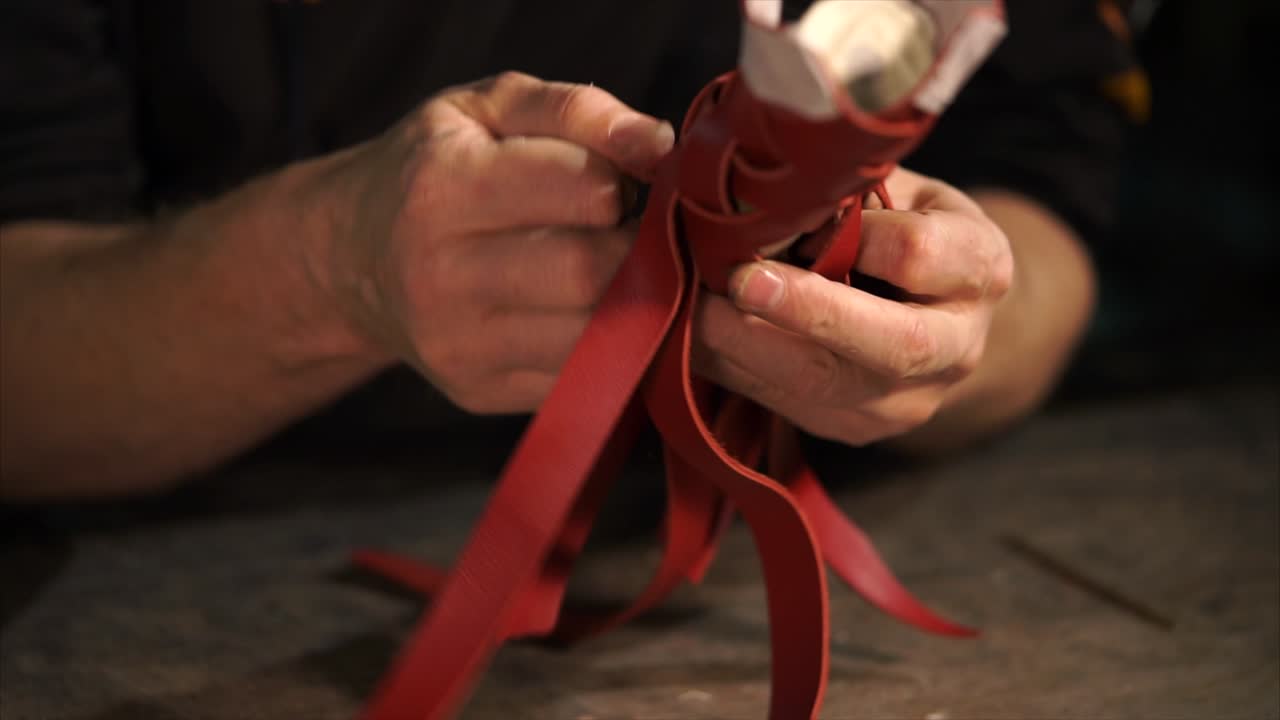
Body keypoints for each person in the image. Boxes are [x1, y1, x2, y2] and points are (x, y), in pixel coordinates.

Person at [0, 0, 1142, 499]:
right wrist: (321, 270)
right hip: (178, 552)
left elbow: (1042, 189)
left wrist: (941, 323)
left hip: (719, 543)